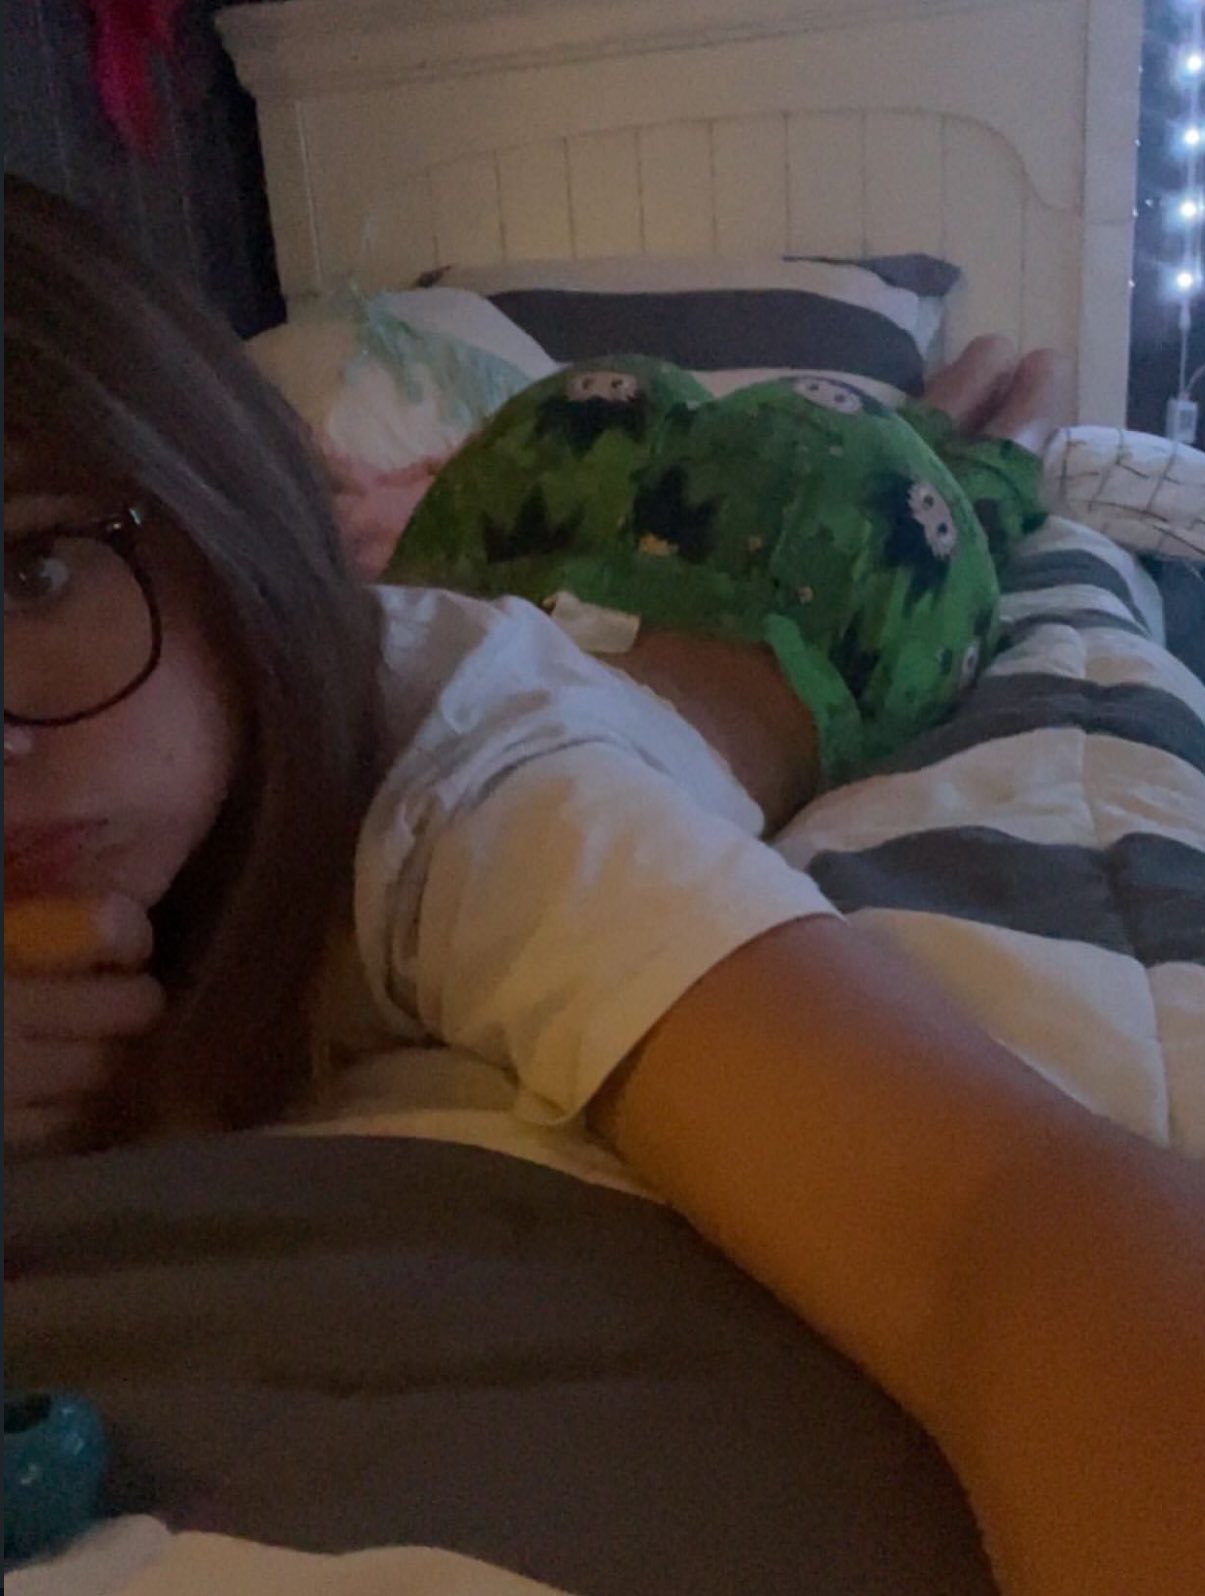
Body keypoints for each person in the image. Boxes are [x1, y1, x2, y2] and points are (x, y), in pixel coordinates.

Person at [3, 175, 1202, 1596]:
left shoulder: (474, 795)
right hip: (531, 553)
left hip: (811, 586)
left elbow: (1000, 1222)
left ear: (219, 506)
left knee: (948, 461)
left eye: (30, 573)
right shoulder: (128, 713)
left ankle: (979, 409)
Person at [385, 337, 1071, 827]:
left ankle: (1013, 371)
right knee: (958, 469)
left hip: (790, 579)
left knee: (976, 481)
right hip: (607, 488)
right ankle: (1016, 366)